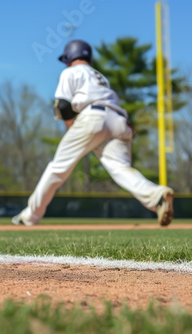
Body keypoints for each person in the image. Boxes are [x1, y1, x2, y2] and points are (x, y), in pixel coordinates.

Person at [12, 40, 174, 227]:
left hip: (93, 117)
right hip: (119, 121)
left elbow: (64, 105)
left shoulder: (71, 71)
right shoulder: (101, 77)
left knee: (58, 168)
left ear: (70, 57)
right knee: (121, 169)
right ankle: (157, 197)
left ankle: (29, 217)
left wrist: (72, 127)